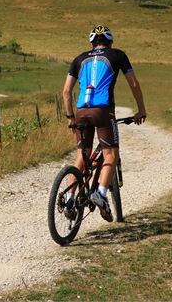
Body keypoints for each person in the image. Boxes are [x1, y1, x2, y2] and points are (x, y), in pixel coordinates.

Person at [61, 25, 146, 221]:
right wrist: (140, 109)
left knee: (82, 156)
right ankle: (100, 193)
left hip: (81, 111)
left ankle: (70, 198)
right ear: (110, 41)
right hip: (103, 110)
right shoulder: (118, 55)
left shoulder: (79, 58)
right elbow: (133, 83)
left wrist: (70, 117)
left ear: (92, 42)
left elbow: (66, 92)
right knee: (111, 154)